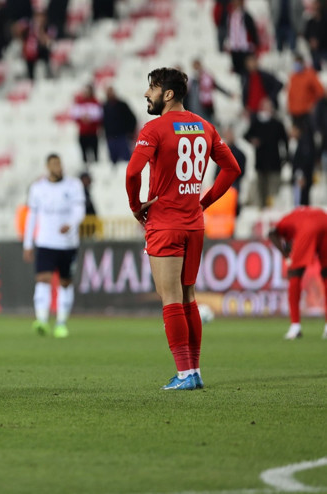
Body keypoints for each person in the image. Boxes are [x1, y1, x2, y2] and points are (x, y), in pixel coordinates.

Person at [125, 67, 241, 390]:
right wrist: (204, 202)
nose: (147, 94)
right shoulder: (204, 127)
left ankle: (185, 374)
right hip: (194, 224)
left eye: (152, 88)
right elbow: (232, 169)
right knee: (188, 295)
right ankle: (195, 371)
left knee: (171, 297)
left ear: (168, 94)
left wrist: (136, 206)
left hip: (164, 223)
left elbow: (133, 173)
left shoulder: (154, 129)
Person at [22, 154, 85, 338]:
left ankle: (61, 323)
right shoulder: (38, 188)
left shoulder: (74, 185)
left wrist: (71, 224)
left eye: (59, 163)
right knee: (43, 279)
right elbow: (32, 217)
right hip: (45, 241)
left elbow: (80, 211)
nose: (57, 167)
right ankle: (41, 320)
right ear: (47, 166)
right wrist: (28, 243)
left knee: (65, 282)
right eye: (53, 164)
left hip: (68, 243)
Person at [269, 207, 327, 340]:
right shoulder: (298, 216)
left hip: (308, 227)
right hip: (325, 219)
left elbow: (271, 234)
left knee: (295, 274)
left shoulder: (285, 222)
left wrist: (286, 255)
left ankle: (295, 326)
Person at [244, 98, 288, 208]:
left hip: (274, 162)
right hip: (260, 162)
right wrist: (253, 140)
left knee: (273, 192)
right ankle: (262, 209)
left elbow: (285, 141)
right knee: (261, 189)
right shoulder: (257, 122)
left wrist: (285, 157)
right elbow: (246, 135)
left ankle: (272, 211)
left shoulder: (277, 124)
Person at [186, 59, 232, 124]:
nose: (196, 68)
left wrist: (228, 94)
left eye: (197, 65)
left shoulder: (207, 77)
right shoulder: (190, 79)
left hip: (206, 105)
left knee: (208, 123)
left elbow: (216, 85)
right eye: (194, 66)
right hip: (194, 106)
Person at [102, 87, 137, 164]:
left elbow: (132, 118)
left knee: (127, 160)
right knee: (113, 161)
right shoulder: (104, 106)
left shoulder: (122, 105)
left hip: (122, 137)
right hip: (110, 137)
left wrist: (130, 131)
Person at [224, 0, 259, 75]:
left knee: (247, 71)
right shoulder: (230, 16)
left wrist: (254, 44)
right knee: (237, 69)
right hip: (235, 48)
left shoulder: (246, 16)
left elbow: (252, 30)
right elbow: (229, 31)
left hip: (245, 47)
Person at [71, 85, 102, 165]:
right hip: (83, 133)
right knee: (84, 156)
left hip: (93, 133)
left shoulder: (95, 102)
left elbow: (99, 117)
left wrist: (89, 119)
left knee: (95, 155)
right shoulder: (79, 103)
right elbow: (75, 117)